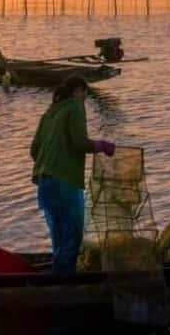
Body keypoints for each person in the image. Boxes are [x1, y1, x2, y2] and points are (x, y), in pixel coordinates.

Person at [30, 75, 116, 274]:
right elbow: (79, 142)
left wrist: (50, 164)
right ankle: (64, 283)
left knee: (58, 234)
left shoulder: (50, 112)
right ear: (79, 91)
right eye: (85, 93)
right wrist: (101, 145)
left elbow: (34, 150)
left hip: (44, 181)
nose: (85, 98)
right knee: (73, 233)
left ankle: (57, 277)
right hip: (65, 180)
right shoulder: (76, 107)